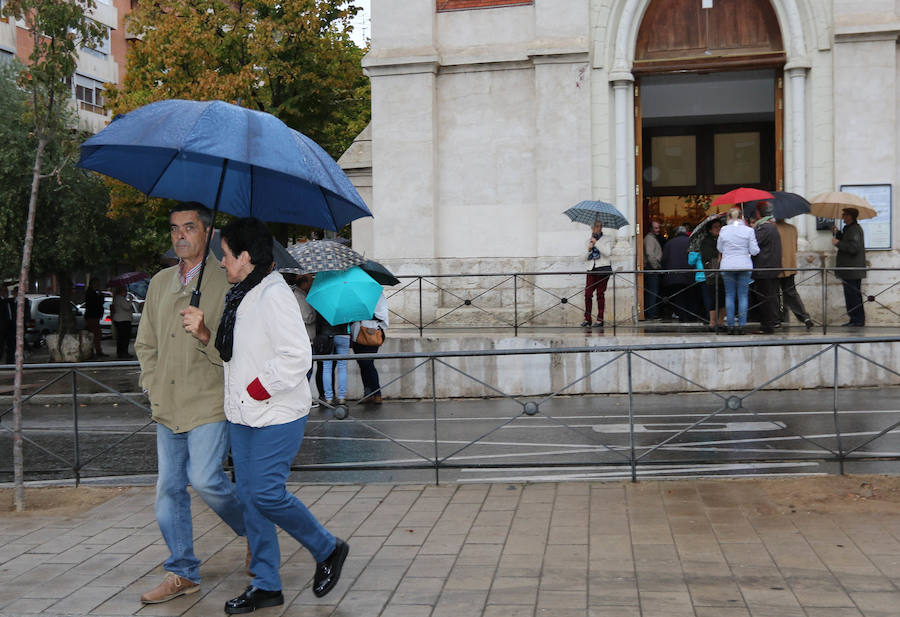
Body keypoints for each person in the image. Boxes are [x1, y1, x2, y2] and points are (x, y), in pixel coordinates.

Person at [183, 217, 348, 614]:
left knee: (266, 494)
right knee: (251, 500)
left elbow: (297, 356)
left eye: (224, 256)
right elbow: (237, 352)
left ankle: (327, 547)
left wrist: (258, 388)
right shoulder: (243, 292)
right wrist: (206, 333)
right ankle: (266, 585)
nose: (221, 263)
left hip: (275, 413)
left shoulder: (273, 294)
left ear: (244, 256)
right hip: (243, 414)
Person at [135, 202, 247, 605]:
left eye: (189, 228)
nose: (180, 235)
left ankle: (253, 530)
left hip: (208, 401)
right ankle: (182, 572)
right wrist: (151, 384)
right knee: (168, 490)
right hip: (168, 404)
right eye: (174, 229)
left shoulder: (227, 281)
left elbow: (237, 349)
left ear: (207, 233)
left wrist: (205, 333)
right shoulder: (161, 282)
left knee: (205, 479)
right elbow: (145, 342)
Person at [717, 207, 760, 334]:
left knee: (729, 295)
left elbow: (719, 248)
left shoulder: (724, 230)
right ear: (742, 217)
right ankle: (742, 325)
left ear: (728, 218)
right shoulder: (748, 230)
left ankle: (730, 325)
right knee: (742, 295)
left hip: (728, 265)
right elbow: (754, 251)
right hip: (744, 265)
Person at [775, 218, 814, 329]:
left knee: (774, 293)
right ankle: (804, 316)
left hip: (776, 265)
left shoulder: (773, 228)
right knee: (791, 293)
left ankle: (777, 318)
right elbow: (795, 247)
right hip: (790, 265)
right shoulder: (793, 228)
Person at [351, 292, 389, 405]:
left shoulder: (378, 295)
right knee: (362, 364)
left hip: (371, 332)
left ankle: (377, 393)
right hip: (356, 333)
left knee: (368, 363)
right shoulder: (355, 296)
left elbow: (382, 315)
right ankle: (368, 393)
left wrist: (363, 312)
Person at [751, 201, 782, 334]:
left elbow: (753, 244)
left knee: (766, 298)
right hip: (771, 267)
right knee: (769, 296)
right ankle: (771, 323)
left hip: (764, 268)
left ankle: (767, 326)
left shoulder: (764, 228)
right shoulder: (772, 226)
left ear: (759, 213)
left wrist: (750, 230)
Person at [833, 207, 867, 326]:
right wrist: (837, 234)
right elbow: (847, 242)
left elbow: (853, 248)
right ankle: (854, 319)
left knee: (853, 296)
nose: (842, 217)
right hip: (848, 270)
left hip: (853, 270)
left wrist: (838, 243)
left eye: (845, 215)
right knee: (850, 296)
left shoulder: (855, 230)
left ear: (850, 216)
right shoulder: (849, 229)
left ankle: (858, 320)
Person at [292, 273, 319, 408]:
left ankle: (303, 398)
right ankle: (302, 399)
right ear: (305, 283)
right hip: (306, 340)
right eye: (310, 281)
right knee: (306, 371)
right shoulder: (299, 296)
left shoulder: (300, 295)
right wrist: (315, 311)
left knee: (308, 371)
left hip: (307, 339)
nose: (312, 283)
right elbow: (306, 317)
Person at [581, 220, 613, 327]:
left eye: (600, 226)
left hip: (603, 269)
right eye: (596, 227)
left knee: (600, 294)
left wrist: (597, 243)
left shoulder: (607, 239)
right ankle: (587, 318)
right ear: (592, 228)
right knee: (588, 294)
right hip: (591, 269)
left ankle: (600, 319)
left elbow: (607, 253)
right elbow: (583, 258)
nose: (598, 229)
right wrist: (589, 249)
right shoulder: (587, 241)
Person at [316, 311, 351, 405]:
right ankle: (342, 397)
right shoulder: (346, 304)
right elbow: (351, 320)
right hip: (343, 334)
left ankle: (328, 398)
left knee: (326, 367)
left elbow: (318, 322)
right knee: (342, 366)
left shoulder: (323, 303)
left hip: (326, 335)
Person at [661, 226, 694, 322]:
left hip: (674, 275)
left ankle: (682, 317)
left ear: (676, 233)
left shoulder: (669, 243)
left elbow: (664, 260)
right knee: (690, 296)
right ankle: (691, 316)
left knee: (679, 297)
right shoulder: (691, 241)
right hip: (689, 274)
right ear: (686, 232)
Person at [699, 219, 726, 331]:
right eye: (715, 227)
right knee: (713, 297)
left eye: (719, 226)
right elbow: (707, 256)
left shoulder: (724, 239)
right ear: (710, 230)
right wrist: (719, 254)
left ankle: (720, 322)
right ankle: (712, 322)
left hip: (724, 272)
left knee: (723, 298)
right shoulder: (706, 242)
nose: (718, 229)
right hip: (712, 273)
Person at [643, 220, 663, 320]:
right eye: (656, 228)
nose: (658, 230)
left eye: (658, 227)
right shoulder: (649, 239)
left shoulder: (652, 238)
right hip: (651, 269)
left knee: (653, 291)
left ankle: (651, 312)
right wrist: (656, 267)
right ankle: (651, 314)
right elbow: (650, 255)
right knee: (652, 292)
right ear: (651, 229)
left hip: (652, 268)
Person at [83, 278, 105, 358]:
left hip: (94, 316)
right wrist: (100, 294)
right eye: (97, 284)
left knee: (96, 334)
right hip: (92, 316)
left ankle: (96, 350)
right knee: (96, 334)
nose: (98, 286)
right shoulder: (91, 294)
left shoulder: (92, 293)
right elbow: (97, 303)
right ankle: (96, 350)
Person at [111, 286, 133, 359]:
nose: (126, 293)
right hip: (123, 321)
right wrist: (130, 300)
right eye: (124, 291)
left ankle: (122, 352)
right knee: (124, 338)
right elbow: (127, 307)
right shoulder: (119, 298)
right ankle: (123, 352)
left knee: (122, 338)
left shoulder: (118, 298)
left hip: (122, 320)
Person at [0, 284, 14, 364]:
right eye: (5, 291)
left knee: (11, 345)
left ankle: (10, 362)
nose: (7, 293)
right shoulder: (1, 302)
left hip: (10, 327)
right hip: (2, 327)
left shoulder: (9, 302)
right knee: (1, 345)